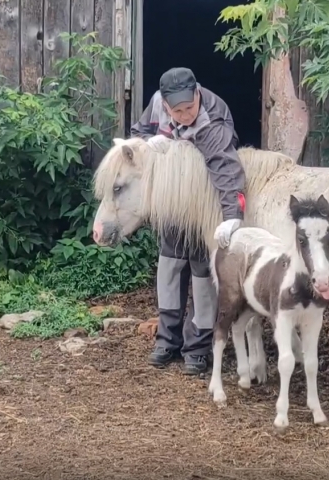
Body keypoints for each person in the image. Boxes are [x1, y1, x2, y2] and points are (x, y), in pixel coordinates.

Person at [129, 67, 247, 375]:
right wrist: (148, 141)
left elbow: (227, 170)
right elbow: (137, 134)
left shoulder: (213, 117)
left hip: (202, 202)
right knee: (169, 267)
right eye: (177, 111)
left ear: (197, 94)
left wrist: (232, 216)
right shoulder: (157, 103)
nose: (184, 115)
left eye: (189, 107)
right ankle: (167, 340)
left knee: (201, 272)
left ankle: (197, 347)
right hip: (172, 200)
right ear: (165, 104)